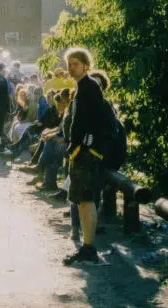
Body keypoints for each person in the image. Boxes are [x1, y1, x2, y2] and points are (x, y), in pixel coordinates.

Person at [62, 47, 108, 265]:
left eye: (75, 64)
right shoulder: (83, 87)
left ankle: (89, 248)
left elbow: (97, 120)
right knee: (81, 200)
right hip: (81, 152)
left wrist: (83, 145)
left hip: (87, 153)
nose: (71, 68)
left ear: (86, 65)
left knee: (86, 199)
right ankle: (86, 246)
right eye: (69, 64)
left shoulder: (90, 87)